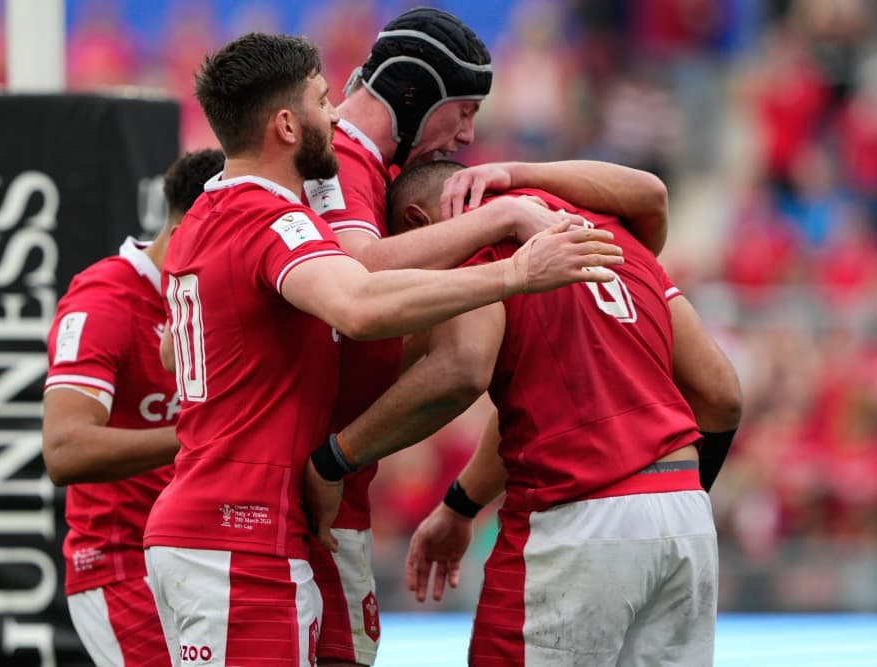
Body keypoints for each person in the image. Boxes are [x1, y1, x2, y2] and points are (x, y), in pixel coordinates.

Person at [141, 32, 625, 667]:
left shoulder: (204, 216)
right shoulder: (271, 219)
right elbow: (360, 303)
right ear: (286, 126)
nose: (336, 115)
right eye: (322, 100)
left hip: (222, 523)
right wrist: (512, 272)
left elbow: (183, 354)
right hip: (240, 530)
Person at [300, 9, 668, 665]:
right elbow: (356, 279)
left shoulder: (390, 174)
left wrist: (519, 175)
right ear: (414, 94)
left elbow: (649, 193)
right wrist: (505, 232)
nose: (469, 134)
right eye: (463, 110)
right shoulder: (343, 157)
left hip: (332, 487)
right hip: (305, 488)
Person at [306, 159, 742, 666]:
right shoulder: (611, 232)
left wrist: (335, 458)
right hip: (684, 515)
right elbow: (721, 394)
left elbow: (461, 371)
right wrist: (460, 506)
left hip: (578, 515)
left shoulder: (473, 246)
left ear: (420, 224)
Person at [42, 148, 226, 667]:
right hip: (126, 570)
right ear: (195, 223)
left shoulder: (221, 295)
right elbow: (65, 450)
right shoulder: (104, 302)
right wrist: (205, 434)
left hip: (205, 559)